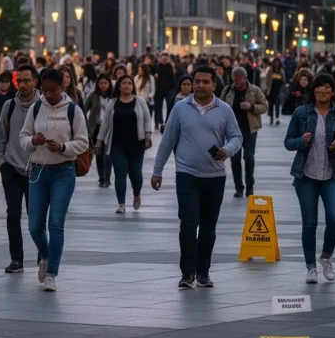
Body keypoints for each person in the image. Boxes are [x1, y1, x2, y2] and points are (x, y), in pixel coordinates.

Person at [151, 65, 243, 289]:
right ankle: (187, 273)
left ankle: (203, 272)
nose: (200, 86)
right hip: (187, 174)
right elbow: (167, 141)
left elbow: (236, 136)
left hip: (215, 176)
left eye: (205, 82)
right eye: (197, 81)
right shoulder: (180, 108)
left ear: (214, 84)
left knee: (208, 228)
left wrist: (227, 151)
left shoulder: (224, 110)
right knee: (188, 222)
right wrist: (157, 170)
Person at [19, 68, 89, 292]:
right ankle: (46, 256)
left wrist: (63, 147)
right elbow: (23, 136)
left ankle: (51, 274)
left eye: (52, 90)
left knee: (56, 223)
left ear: (62, 87)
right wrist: (33, 141)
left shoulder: (73, 110)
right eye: (44, 89)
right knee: (34, 226)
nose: (47, 94)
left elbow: (83, 141)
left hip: (63, 172)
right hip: (38, 171)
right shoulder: (36, 107)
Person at [284, 74, 335, 285]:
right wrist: (300, 141)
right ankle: (310, 267)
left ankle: (326, 257)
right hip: (306, 175)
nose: (323, 91)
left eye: (327, 88)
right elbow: (288, 142)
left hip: (332, 174)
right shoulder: (301, 113)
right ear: (313, 90)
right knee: (309, 223)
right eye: (319, 88)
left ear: (333, 92)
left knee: (334, 219)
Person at [0, 65, 39, 274]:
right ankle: (16, 259)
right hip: (11, 167)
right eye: (19, 81)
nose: (22, 85)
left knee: (35, 216)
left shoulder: (43, 106)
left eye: (27, 80)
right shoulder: (9, 106)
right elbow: (1, 136)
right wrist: (1, 162)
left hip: (37, 169)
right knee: (13, 213)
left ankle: (43, 253)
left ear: (35, 82)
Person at [96, 75, 152, 214]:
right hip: (117, 145)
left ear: (133, 86)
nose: (127, 85)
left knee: (135, 174)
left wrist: (148, 135)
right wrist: (99, 141)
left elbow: (147, 120)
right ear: (119, 86)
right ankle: (121, 204)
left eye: (129, 83)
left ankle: (137, 194)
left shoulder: (140, 102)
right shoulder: (113, 103)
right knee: (120, 173)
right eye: (124, 83)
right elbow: (105, 124)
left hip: (136, 145)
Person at [220, 66, 268, 198]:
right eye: (234, 79)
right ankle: (239, 188)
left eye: (238, 79)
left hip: (250, 130)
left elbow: (264, 106)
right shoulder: (228, 90)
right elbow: (220, 106)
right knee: (235, 159)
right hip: (233, 132)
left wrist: (251, 106)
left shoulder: (254, 90)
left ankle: (250, 187)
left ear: (244, 78)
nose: (235, 81)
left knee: (249, 157)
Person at [85, 73, 114, 187]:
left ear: (109, 84)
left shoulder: (113, 96)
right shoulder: (93, 95)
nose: (103, 85)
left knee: (108, 154)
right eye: (101, 83)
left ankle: (107, 177)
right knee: (99, 154)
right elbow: (84, 108)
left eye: (105, 83)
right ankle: (101, 177)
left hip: (109, 129)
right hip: (96, 128)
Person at [263, 59, 286, 126]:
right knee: (271, 105)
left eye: (278, 62)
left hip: (278, 91)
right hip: (271, 90)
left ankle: (277, 118)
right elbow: (267, 80)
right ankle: (271, 117)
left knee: (277, 104)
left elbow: (284, 80)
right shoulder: (270, 70)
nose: (276, 64)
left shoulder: (281, 71)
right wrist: (266, 89)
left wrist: (279, 78)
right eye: (275, 62)